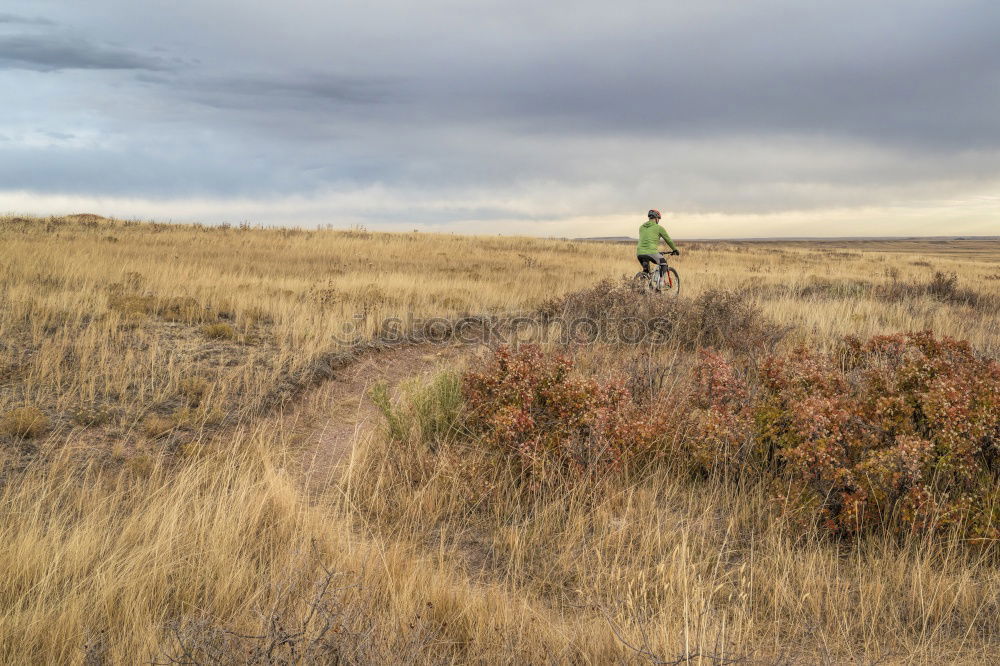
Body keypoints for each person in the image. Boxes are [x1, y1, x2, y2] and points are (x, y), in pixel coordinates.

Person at [636, 209, 679, 285]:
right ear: (656, 218)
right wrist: (675, 249)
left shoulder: (641, 227)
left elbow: (646, 239)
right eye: (658, 219)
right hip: (651, 252)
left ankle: (644, 287)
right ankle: (661, 283)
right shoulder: (659, 228)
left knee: (646, 271)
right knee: (664, 264)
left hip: (639, 253)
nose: (658, 220)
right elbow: (668, 240)